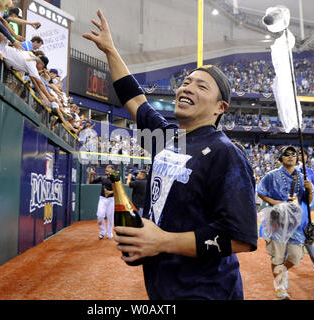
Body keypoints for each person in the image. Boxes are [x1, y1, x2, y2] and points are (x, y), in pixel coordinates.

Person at [83, 9, 258, 300]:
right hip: (165, 287)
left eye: (201, 86)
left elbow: (240, 237)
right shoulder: (165, 137)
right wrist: (110, 50)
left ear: (220, 108)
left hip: (207, 291)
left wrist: (161, 241)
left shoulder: (226, 153)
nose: (187, 88)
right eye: (186, 82)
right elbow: (134, 97)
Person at [257, 145, 314, 300]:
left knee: (295, 256)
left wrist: (310, 190)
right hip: (276, 220)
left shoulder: (302, 178)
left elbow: (308, 201)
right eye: (286, 154)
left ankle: (282, 271)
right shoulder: (271, 175)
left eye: (293, 154)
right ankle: (279, 286)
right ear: (281, 158)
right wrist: (276, 203)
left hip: (295, 222)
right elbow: (260, 192)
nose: (290, 156)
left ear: (297, 158)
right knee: (277, 256)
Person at [89, 165, 115, 240]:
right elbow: (91, 182)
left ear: (112, 170)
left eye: (108, 169)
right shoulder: (102, 178)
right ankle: (103, 231)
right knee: (100, 215)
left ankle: (109, 233)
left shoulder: (115, 179)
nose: (106, 169)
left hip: (111, 200)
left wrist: (109, 192)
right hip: (102, 199)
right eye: (106, 169)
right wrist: (91, 175)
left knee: (110, 217)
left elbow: (118, 190)